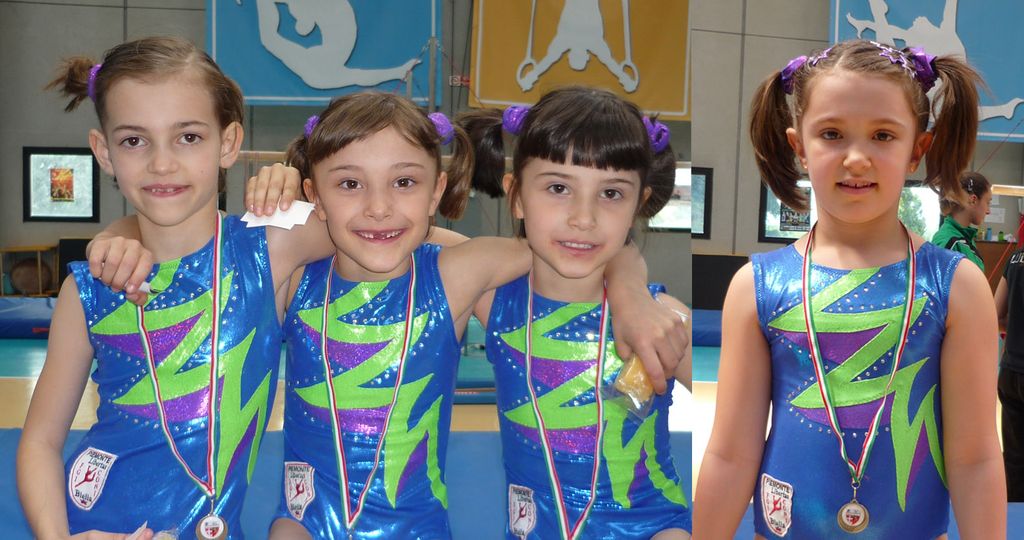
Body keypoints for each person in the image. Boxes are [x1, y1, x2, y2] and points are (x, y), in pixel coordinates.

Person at [16, 36, 336, 539]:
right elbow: (39, 441)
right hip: (94, 524)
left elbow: (384, 225)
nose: (161, 164)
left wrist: (294, 183)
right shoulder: (92, 287)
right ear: (103, 151)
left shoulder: (269, 249)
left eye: (188, 136)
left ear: (228, 143)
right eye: (133, 140)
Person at [695, 40, 1005, 538]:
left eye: (883, 135)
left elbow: (976, 459)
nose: (856, 158)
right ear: (799, 147)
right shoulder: (758, 285)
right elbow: (731, 455)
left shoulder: (955, 286)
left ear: (916, 150)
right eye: (832, 134)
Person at [458, 86, 692, 540]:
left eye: (611, 193)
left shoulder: (661, 320)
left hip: (650, 528)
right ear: (516, 194)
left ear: (638, 205)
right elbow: (384, 235)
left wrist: (630, 288)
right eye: (558, 188)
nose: (583, 218)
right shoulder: (493, 297)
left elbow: (737, 433)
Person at [996, 243, 1024, 502]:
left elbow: (995, 314)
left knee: (1014, 459)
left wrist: (1015, 327)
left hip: (1010, 373)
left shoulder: (1015, 258)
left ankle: (1015, 514)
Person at [931, 171, 991, 271]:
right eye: (988, 202)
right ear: (973, 200)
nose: (988, 211)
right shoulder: (949, 242)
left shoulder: (966, 238)